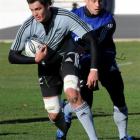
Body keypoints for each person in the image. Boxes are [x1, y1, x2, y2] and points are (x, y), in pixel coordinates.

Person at [8, 0, 99, 140]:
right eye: (32, 10)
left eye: (38, 9)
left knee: (73, 94)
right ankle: (64, 121)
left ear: (47, 5)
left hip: (67, 57)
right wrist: (35, 60)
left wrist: (93, 69)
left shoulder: (65, 17)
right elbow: (12, 56)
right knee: (54, 114)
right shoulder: (28, 26)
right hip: (46, 66)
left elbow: (91, 38)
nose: (35, 14)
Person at [56, 0, 134, 140]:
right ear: (86, 0)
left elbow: (94, 44)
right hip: (83, 63)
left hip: (105, 61)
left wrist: (93, 66)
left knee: (118, 95)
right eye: (93, 0)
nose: (98, 4)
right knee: (84, 103)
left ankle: (123, 136)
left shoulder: (108, 20)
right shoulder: (74, 16)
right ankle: (66, 109)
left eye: (100, 0)